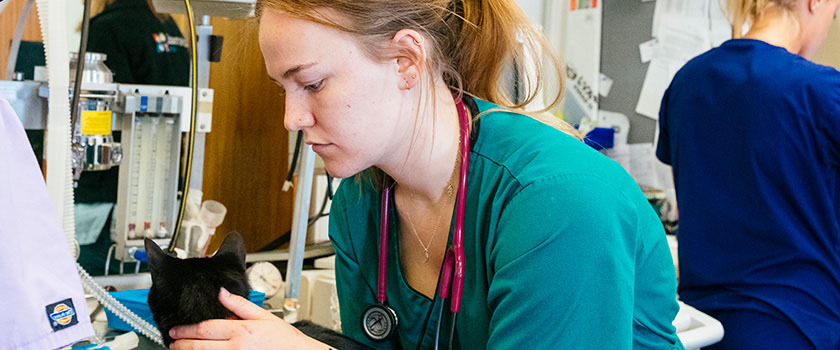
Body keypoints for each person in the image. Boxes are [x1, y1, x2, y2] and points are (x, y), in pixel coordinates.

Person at [169, 0, 684, 349]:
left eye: (313, 83)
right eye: (283, 88)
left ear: (407, 61)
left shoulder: (559, 201)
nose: (292, 118)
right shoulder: (362, 202)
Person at [656, 0, 840, 349]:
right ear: (817, 2)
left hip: (705, 328)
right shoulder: (821, 91)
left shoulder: (686, 83)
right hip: (798, 328)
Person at [75, 0, 190, 275]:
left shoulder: (106, 28)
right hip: (159, 204)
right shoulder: (169, 27)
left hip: (107, 211)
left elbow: (99, 117)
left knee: (97, 305)